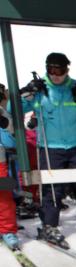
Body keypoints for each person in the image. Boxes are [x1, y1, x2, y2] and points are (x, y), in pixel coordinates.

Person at [19, 52, 76, 248]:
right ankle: (50, 224)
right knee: (52, 188)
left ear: (68, 70)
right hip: (51, 147)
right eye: (52, 70)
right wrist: (25, 93)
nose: (56, 75)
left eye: (61, 70)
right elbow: (17, 107)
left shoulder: (75, 87)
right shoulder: (41, 89)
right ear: (46, 69)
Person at [0, 83, 20, 251]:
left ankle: (7, 230)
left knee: (4, 194)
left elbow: (13, 138)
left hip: (0, 160)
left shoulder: (3, 113)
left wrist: (5, 124)